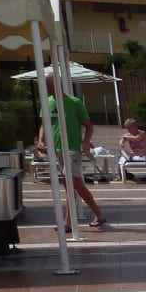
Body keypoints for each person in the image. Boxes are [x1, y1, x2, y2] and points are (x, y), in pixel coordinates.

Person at [34, 70, 107, 229]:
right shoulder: (47, 102)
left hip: (72, 149)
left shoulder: (74, 103)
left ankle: (67, 222)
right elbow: (44, 124)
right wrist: (41, 140)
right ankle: (99, 214)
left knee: (69, 184)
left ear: (57, 84)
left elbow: (89, 126)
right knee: (77, 185)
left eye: (48, 84)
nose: (45, 87)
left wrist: (86, 142)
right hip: (57, 149)